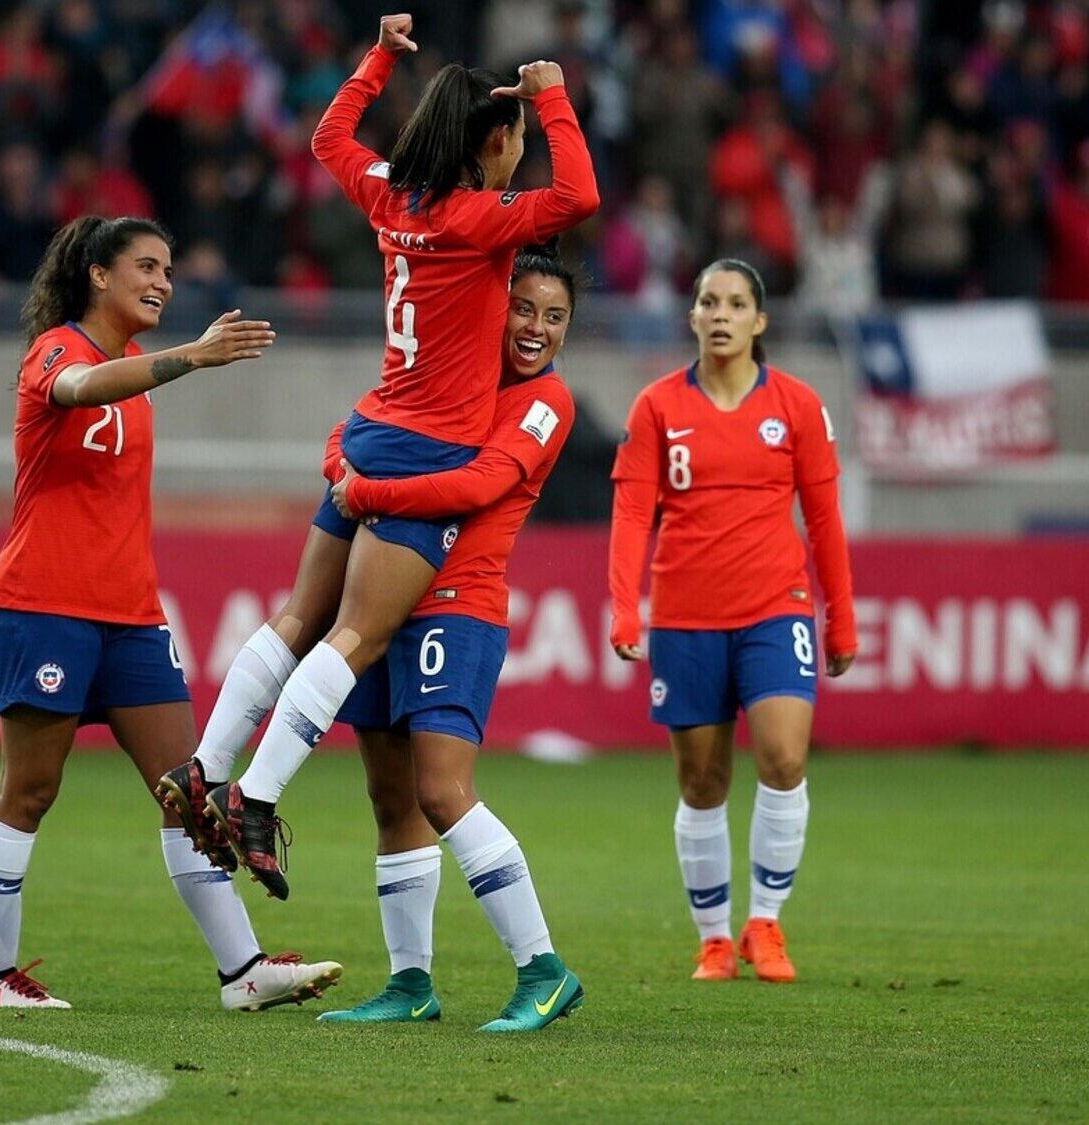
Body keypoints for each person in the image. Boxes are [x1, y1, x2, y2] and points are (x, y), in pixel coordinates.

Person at [157, 12, 600, 902]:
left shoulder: (391, 190)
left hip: (369, 425)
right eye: (511, 137)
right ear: (495, 140)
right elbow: (579, 198)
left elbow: (328, 136)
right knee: (356, 636)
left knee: (298, 619)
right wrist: (553, 97)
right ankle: (256, 795)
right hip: (422, 450)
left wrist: (376, 60)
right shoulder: (480, 219)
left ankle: (203, 767)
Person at [0, 214, 341, 1012]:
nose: (163, 283)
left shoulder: (139, 366)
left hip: (132, 617)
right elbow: (77, 389)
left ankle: (243, 971)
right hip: (41, 609)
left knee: (190, 793)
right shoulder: (59, 351)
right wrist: (193, 357)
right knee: (28, 790)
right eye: (146, 266)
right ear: (98, 275)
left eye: (168, 269)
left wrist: (175, 361)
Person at [316, 250, 585, 1032]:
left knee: (441, 789)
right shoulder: (447, 375)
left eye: (554, 315)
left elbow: (480, 485)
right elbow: (352, 430)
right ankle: (410, 984)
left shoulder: (547, 402)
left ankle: (544, 967)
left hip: (457, 604)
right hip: (383, 601)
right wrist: (346, 465)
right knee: (391, 796)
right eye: (524, 309)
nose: (535, 328)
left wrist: (364, 489)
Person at [607, 260, 857, 985]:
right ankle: (715, 937)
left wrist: (840, 619)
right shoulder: (656, 407)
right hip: (685, 615)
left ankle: (766, 924)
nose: (721, 313)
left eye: (736, 302)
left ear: (760, 320)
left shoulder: (799, 406)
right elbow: (630, 515)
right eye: (708, 301)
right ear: (691, 317)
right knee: (702, 781)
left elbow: (825, 517)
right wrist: (627, 606)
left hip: (775, 608)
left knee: (783, 757)